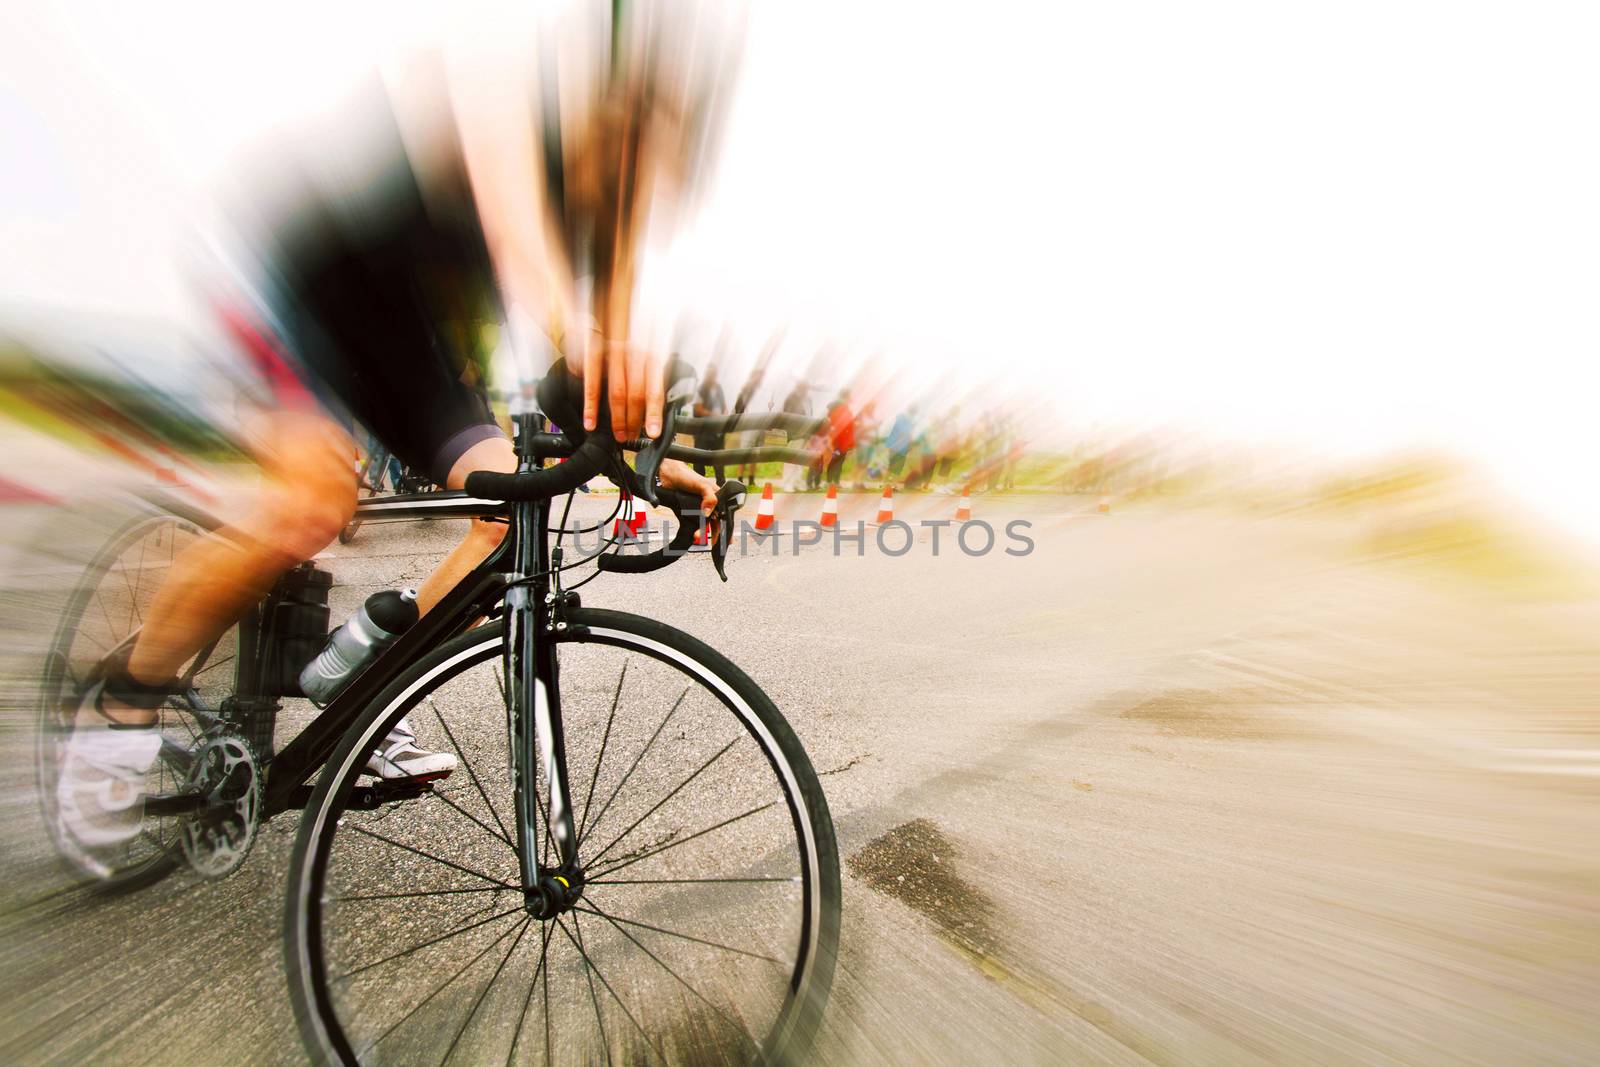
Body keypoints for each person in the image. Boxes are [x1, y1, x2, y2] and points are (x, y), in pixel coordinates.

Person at [53, 50, 721, 851]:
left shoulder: (602, 231)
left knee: (508, 519)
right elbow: (522, 243)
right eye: (629, 161)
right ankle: (123, 706)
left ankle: (358, 688)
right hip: (307, 294)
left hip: (411, 353)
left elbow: (595, 402)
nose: (629, 191)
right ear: (602, 119)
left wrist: (656, 462)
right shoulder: (504, 114)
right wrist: (581, 331)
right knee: (308, 506)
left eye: (653, 182)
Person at [692, 359, 727, 483]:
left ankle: (721, 486)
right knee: (699, 460)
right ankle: (699, 485)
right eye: (709, 374)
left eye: (713, 374)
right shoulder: (700, 389)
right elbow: (698, 409)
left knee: (719, 461)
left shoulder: (719, 388)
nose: (711, 376)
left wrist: (724, 417)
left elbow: (724, 406)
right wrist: (714, 415)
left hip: (717, 431)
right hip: (703, 431)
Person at [780, 377, 812, 491]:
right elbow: (786, 415)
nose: (806, 390)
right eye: (804, 387)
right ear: (799, 387)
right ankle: (787, 483)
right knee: (791, 458)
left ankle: (796, 481)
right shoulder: (791, 398)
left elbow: (809, 414)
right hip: (794, 433)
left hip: (806, 432)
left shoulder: (808, 399)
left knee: (801, 459)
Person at [823, 390, 855, 489]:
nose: (850, 400)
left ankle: (836, 481)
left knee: (840, 461)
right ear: (844, 397)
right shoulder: (838, 408)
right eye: (849, 397)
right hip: (837, 440)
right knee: (834, 460)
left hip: (844, 441)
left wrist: (851, 443)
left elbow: (850, 426)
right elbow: (836, 425)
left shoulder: (846, 409)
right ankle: (829, 482)